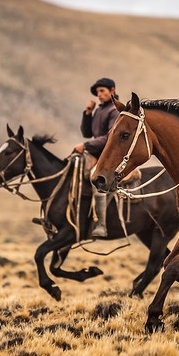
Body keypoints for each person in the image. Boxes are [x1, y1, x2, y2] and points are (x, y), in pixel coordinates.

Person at [73, 77, 120, 238]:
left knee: (97, 178)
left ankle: (101, 224)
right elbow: (87, 133)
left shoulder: (114, 110)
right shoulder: (100, 110)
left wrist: (85, 146)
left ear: (112, 91)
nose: (99, 95)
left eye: (102, 91)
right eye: (97, 92)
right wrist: (87, 113)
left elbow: (109, 138)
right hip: (97, 153)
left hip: (108, 156)